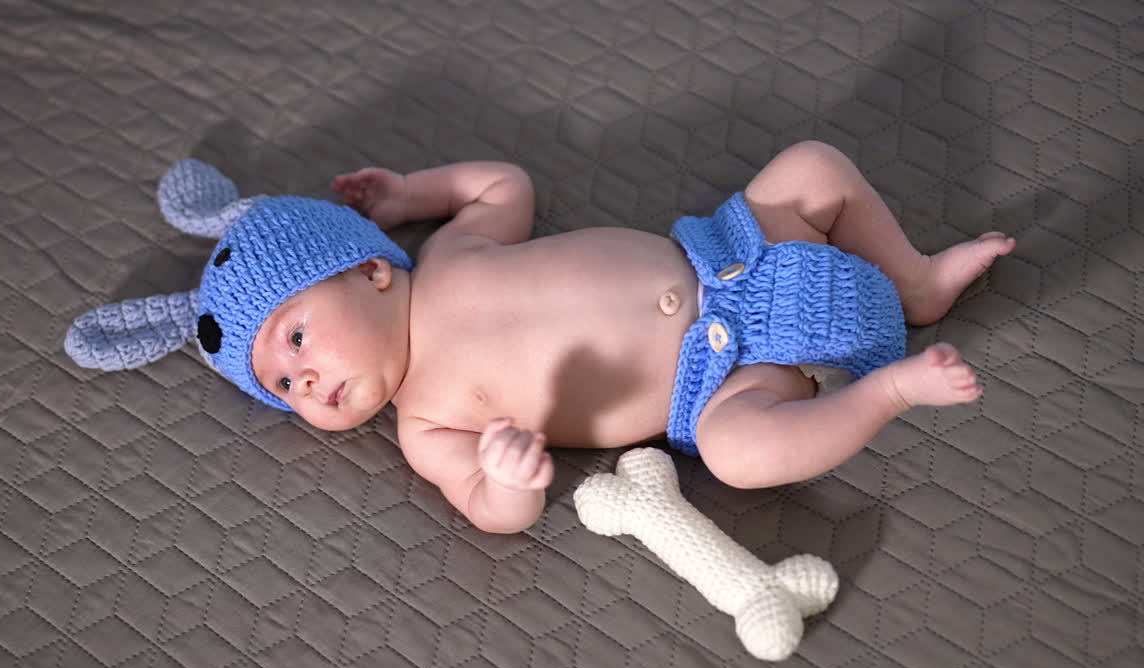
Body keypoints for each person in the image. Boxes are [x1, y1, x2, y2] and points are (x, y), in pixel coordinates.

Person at [74, 142, 1015, 535]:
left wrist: (410, 194)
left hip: (733, 254)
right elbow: (489, 509)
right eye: (281, 387)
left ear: (368, 269)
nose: (303, 382)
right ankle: (885, 393)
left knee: (812, 165)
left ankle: (917, 284)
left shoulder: (451, 251)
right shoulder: (426, 424)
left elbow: (504, 185)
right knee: (739, 458)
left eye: (295, 340)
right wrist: (511, 480)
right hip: (722, 381)